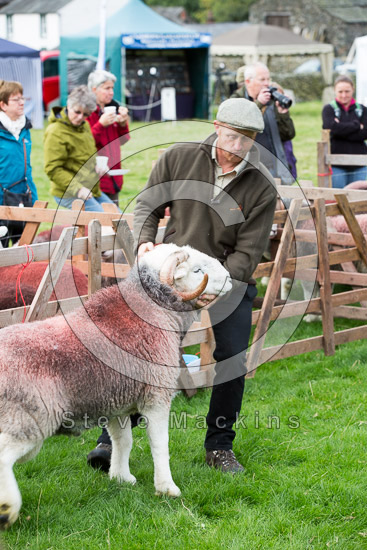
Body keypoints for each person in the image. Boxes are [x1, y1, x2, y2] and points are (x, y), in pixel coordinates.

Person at [87, 98, 277, 473]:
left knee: (233, 358)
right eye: (233, 136)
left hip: (225, 280)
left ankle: (219, 447)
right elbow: (147, 206)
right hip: (170, 277)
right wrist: (143, 240)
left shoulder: (262, 185)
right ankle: (111, 440)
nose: (239, 146)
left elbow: (249, 251)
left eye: (248, 139)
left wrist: (213, 286)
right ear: (216, 125)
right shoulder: (179, 157)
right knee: (140, 352)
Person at [44, 85, 116, 212]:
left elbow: (86, 155)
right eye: (77, 112)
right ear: (68, 105)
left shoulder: (85, 125)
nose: (80, 117)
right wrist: (78, 188)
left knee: (118, 217)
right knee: (107, 222)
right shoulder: (55, 131)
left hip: (91, 189)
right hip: (68, 192)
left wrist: (99, 165)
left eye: (85, 114)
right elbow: (53, 169)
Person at [231, 62, 295, 183]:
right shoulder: (236, 100)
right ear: (248, 81)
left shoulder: (272, 100)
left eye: (268, 79)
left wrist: (283, 114)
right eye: (262, 79)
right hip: (247, 167)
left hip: (275, 167)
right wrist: (258, 104)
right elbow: (237, 126)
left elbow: (288, 135)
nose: (267, 83)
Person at [0, 80, 38, 247]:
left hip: (23, 198)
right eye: (16, 99)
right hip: (2, 201)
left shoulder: (25, 129)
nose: (22, 103)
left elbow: (26, 167)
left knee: (22, 251)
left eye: (22, 98)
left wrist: (34, 196)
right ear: (3, 105)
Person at [87, 70, 130, 206]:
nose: (111, 92)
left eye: (112, 88)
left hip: (114, 177)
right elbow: (85, 144)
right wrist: (100, 124)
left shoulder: (112, 109)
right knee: (98, 223)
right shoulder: (85, 112)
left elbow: (123, 140)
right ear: (94, 89)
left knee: (113, 222)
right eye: (107, 88)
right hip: (95, 179)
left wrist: (123, 124)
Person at [322, 75, 367, 189]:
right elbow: (331, 129)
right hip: (337, 164)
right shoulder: (328, 109)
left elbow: (364, 134)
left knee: (359, 201)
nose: (344, 95)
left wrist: (339, 129)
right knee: (337, 199)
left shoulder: (362, 110)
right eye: (340, 91)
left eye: (347, 91)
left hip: (360, 164)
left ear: (353, 90)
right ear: (335, 91)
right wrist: (356, 125)